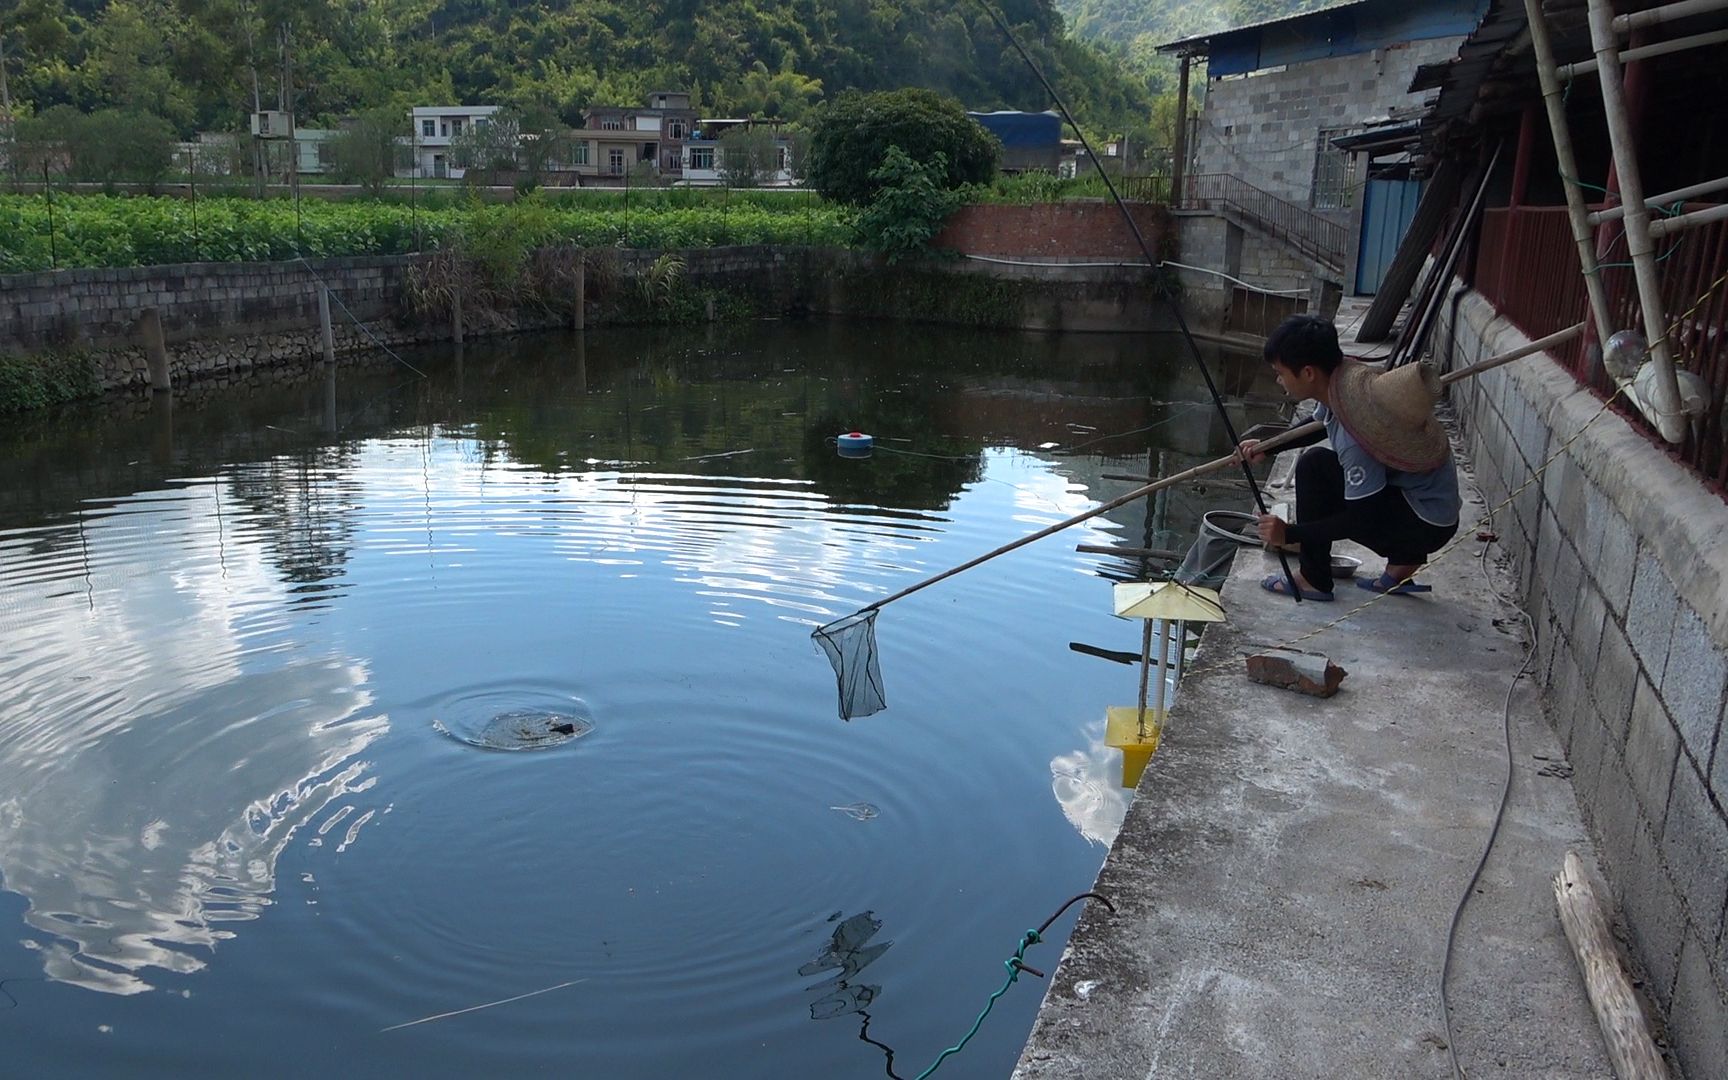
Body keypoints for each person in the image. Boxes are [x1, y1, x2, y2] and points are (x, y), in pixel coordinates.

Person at [1238, 314, 1460, 601]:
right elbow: (1317, 425)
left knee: (1313, 467)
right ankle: (1404, 559)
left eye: (1280, 373)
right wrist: (1268, 446)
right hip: (1431, 508)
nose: (1279, 380)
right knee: (1317, 461)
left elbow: (1362, 520)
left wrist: (1290, 533)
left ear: (1307, 373)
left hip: (1426, 524)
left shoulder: (1353, 436)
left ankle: (1313, 578)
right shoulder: (1345, 379)